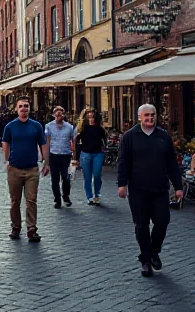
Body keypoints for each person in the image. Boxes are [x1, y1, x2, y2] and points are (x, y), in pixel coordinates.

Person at [117, 103, 183, 277]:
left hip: (160, 188)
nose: (149, 118)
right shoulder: (130, 136)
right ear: (140, 117)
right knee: (141, 225)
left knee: (162, 221)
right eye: (146, 115)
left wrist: (178, 186)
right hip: (138, 189)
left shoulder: (163, 136)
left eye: (152, 115)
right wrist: (121, 184)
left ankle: (154, 251)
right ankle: (146, 260)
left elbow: (172, 164)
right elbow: (122, 161)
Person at [2, 96, 49, 242]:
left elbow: (43, 143)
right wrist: (7, 160)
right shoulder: (10, 126)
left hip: (32, 169)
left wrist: (46, 162)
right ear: (16, 109)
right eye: (21, 106)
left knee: (31, 200)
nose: (24, 109)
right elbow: (5, 142)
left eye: (26, 106)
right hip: (15, 168)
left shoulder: (36, 126)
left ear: (29, 109)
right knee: (15, 201)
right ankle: (16, 227)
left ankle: (31, 229)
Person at [74, 107, 107, 205]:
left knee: (97, 174)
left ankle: (97, 194)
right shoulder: (82, 129)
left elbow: (104, 139)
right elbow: (76, 141)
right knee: (87, 177)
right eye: (89, 116)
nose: (91, 118)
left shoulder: (99, 129)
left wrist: (104, 148)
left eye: (93, 116)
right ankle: (89, 197)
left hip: (97, 153)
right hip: (85, 154)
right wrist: (76, 157)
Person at [44, 106, 75, 208]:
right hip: (54, 155)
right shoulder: (48, 126)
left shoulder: (70, 127)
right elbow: (47, 142)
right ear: (53, 115)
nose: (58, 115)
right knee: (55, 179)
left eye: (60, 113)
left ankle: (66, 196)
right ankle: (57, 199)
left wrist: (75, 157)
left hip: (66, 155)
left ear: (63, 115)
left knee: (66, 177)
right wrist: (46, 160)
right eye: (56, 114)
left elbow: (73, 141)